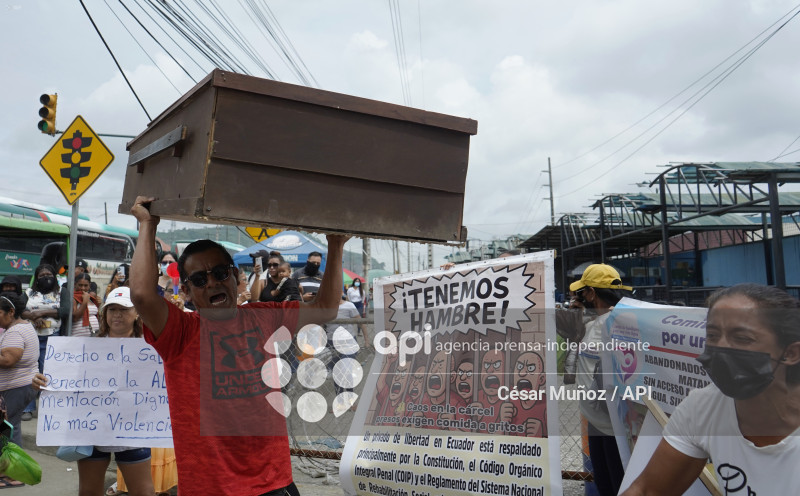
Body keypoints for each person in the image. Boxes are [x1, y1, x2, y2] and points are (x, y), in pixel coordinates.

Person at [129, 196, 347, 496]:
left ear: (234, 277)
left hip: (274, 481)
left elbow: (325, 308)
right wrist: (147, 224)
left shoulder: (264, 317)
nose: (212, 283)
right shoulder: (179, 332)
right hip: (211, 487)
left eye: (220, 273)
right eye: (199, 279)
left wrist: (335, 245)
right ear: (188, 292)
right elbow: (141, 295)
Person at [621, 283, 800, 495]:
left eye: (742, 338)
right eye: (713, 336)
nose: (720, 348)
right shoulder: (704, 406)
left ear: (790, 353)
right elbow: (648, 490)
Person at [33, 287, 155, 496]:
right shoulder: (84, 348)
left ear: (136, 314)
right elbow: (68, 383)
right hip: (91, 429)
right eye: (112, 309)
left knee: (143, 492)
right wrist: (43, 381)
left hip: (133, 430)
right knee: (88, 491)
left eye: (124, 309)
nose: (117, 314)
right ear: (104, 314)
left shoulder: (150, 349)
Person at [571, 263, 632, 496]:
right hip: (598, 422)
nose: (578, 297)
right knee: (604, 483)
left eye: (581, 292)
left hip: (616, 425)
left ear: (591, 293)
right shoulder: (595, 322)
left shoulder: (618, 323)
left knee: (618, 485)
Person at [0, 292, 38, 489]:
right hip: (21, 386)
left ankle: (15, 475)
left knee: (9, 429)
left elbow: (8, 360)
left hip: (17, 387)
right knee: (9, 428)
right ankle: (7, 469)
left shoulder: (15, 332)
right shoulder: (22, 326)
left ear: (11, 312)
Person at [20, 263, 61, 421]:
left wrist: (42, 312)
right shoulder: (29, 293)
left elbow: (64, 310)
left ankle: (49, 407)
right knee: (31, 372)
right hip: (31, 337)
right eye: (42, 276)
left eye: (49, 275)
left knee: (50, 372)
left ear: (54, 277)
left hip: (53, 337)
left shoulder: (61, 292)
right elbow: (19, 309)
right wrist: (33, 317)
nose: (46, 278)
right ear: (36, 279)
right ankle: (28, 408)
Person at [67, 273, 100, 337]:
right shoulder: (73, 298)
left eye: (85, 285)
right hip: (78, 337)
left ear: (89, 285)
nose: (82, 288)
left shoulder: (91, 298)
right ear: (75, 284)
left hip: (93, 336)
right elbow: (75, 318)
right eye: (80, 285)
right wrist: (84, 301)